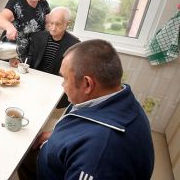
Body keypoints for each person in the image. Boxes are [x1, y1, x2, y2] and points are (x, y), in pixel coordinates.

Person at [19, 39, 154, 180]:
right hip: (58, 156)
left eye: (65, 78)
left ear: (87, 84)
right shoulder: (119, 97)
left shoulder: (100, 154)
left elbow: (94, 151)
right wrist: (55, 136)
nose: (63, 85)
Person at [27, 6, 80, 108]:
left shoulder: (75, 45)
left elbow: (72, 73)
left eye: (58, 24)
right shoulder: (38, 37)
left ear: (67, 24)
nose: (53, 27)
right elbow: (30, 59)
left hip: (56, 87)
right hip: (35, 82)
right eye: (51, 23)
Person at [0, 0, 51, 67]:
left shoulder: (43, 4)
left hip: (32, 54)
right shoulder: (16, 2)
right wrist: (9, 27)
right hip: (13, 54)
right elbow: (0, 19)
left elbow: (48, 24)